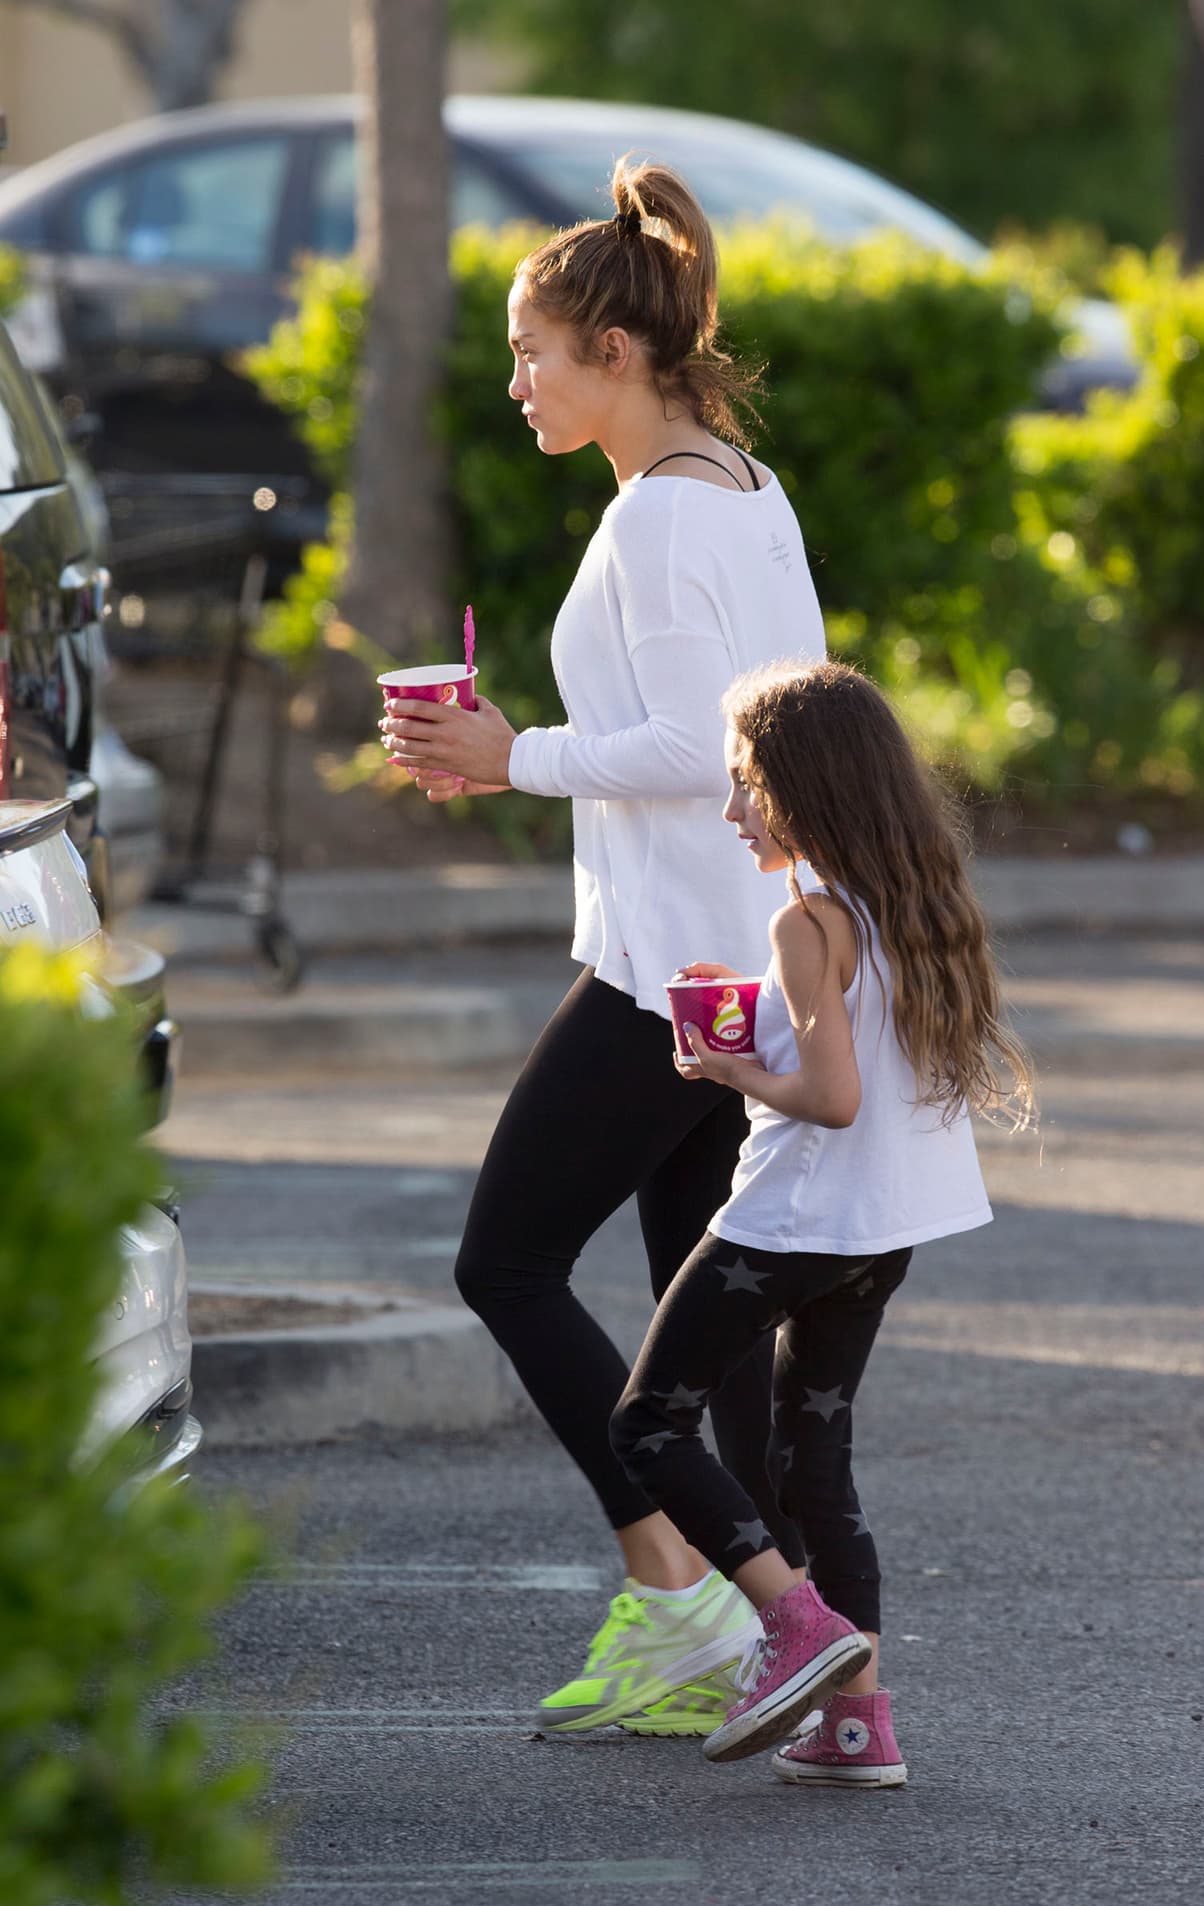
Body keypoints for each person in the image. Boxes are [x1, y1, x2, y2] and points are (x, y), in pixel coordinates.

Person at [379, 158, 826, 1734]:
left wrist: (514, 759)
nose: (516, 381)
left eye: (533, 353)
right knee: (703, 1310)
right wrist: (509, 758)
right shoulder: (744, 491)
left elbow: (708, 754)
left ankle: (751, 1606)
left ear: (616, 355)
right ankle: (719, 1624)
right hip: (739, 964)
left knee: (504, 1261)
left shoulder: (655, 524)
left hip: (675, 975)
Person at [610, 659, 1035, 1777]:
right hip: (881, 1233)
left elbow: (831, 1099)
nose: (730, 808)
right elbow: (862, 1052)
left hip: (789, 1224)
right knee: (814, 1464)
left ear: (806, 786)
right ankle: (857, 1727)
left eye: (746, 783)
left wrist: (721, 1067)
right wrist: (756, 1019)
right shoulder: (907, 901)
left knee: (646, 1424)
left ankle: (793, 1625)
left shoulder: (805, 919)